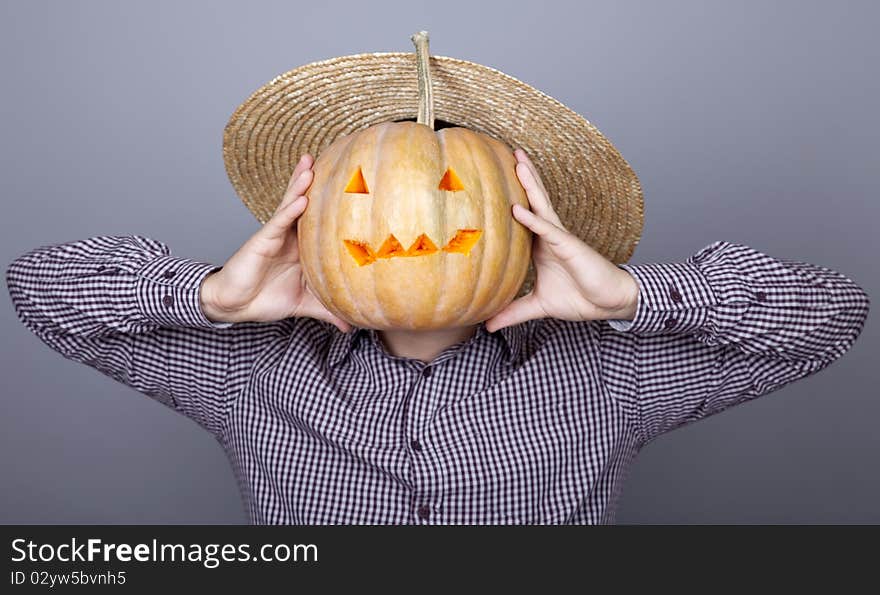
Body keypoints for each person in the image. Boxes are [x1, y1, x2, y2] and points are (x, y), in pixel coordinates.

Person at [5, 148, 870, 524]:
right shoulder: (247, 368)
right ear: (307, 222)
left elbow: (832, 316)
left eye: (457, 193)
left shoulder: (608, 373)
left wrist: (634, 295)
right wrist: (209, 296)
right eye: (362, 196)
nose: (408, 228)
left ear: (524, 228)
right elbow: (37, 287)